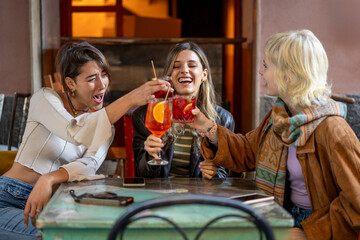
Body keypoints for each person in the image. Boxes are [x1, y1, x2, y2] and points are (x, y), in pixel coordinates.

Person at [187, 30, 360, 239]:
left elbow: (356, 202)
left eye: (266, 66)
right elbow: (247, 151)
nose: (260, 71)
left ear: (288, 74)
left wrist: (309, 233)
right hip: (283, 215)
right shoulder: (279, 117)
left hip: (318, 225)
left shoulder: (333, 130)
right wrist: (208, 127)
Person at [0, 42, 171, 239]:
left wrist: (49, 178)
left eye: (104, 75)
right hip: (8, 197)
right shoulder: (45, 99)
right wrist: (131, 98)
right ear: (71, 83)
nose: (102, 85)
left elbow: (88, 165)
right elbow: (74, 130)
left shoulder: (105, 125)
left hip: (55, 204)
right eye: (91, 78)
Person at [132, 41, 235, 179]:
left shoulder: (223, 119)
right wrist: (150, 156)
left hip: (199, 197)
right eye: (176, 66)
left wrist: (214, 174)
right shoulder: (145, 116)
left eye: (192, 65)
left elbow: (228, 174)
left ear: (204, 75)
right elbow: (140, 174)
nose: (184, 70)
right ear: (170, 76)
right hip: (161, 197)